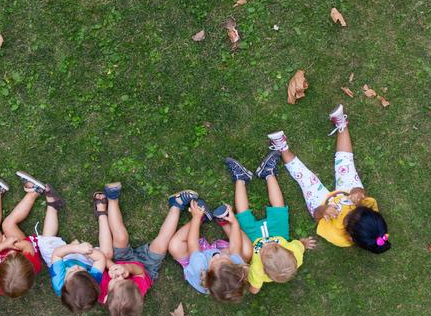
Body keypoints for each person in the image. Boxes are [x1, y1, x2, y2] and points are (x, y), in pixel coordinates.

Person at [273, 105, 390, 253]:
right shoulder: (368, 210)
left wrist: (324, 210)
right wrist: (357, 192)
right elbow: (361, 192)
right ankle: (341, 125)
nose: (348, 212)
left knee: (306, 179)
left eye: (348, 218)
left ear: (351, 237)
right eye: (357, 210)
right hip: (346, 192)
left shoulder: (339, 237)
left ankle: (282, 148)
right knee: (346, 161)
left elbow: (316, 216)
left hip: (322, 204)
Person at [225, 151, 316, 293]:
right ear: (289, 252)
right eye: (275, 247)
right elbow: (300, 245)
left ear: (263, 268)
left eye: (265, 251)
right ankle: (268, 173)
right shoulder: (296, 254)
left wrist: (250, 281)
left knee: (242, 214)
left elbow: (254, 289)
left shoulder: (257, 271)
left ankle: (240, 179)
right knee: (279, 208)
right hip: (278, 232)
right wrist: (304, 243)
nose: (268, 244)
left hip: (253, 238)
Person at [96, 183, 179, 316]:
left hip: (120, 259)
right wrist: (127, 269)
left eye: (114, 282)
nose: (118, 278)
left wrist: (113, 267)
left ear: (107, 296)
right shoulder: (137, 291)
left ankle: (112, 198)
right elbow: (140, 272)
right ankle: (176, 205)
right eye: (122, 281)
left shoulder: (100, 290)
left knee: (120, 237)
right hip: (146, 268)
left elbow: (101, 260)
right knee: (161, 244)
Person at [167, 192, 251, 303]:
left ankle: (202, 216)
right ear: (236, 266)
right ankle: (224, 221)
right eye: (223, 258)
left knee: (174, 246)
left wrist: (196, 218)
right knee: (247, 251)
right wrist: (234, 223)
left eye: (214, 262)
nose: (217, 257)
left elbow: (193, 244)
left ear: (208, 273)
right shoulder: (235, 266)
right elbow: (235, 245)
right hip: (211, 253)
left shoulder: (199, 267)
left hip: (194, 256)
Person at [35, 185, 106, 312]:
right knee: (107, 253)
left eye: (73, 272)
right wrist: (86, 251)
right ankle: (102, 214)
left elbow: (57, 254)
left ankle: (53, 205)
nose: (76, 268)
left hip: (62, 257)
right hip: (86, 259)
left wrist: (76, 248)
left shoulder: (59, 282)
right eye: (81, 272)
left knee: (45, 242)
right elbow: (100, 259)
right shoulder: (91, 282)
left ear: (65, 284)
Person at [0, 171, 47, 298]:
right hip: (23, 246)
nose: (9, 253)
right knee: (8, 224)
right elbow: (27, 245)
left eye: (7, 258)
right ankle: (35, 192)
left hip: (1, 249)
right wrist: (12, 244)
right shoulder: (31, 264)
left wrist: (4, 245)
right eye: (13, 255)